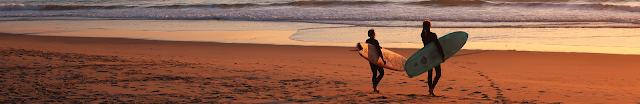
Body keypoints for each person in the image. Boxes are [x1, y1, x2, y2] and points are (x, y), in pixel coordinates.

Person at [421, 20, 447, 96]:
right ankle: (432, 88)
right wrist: (442, 55)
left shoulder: (422, 35)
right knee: (438, 73)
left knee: (430, 73)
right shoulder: (433, 35)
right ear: (430, 26)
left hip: (427, 55)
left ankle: (430, 89)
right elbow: (438, 46)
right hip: (434, 56)